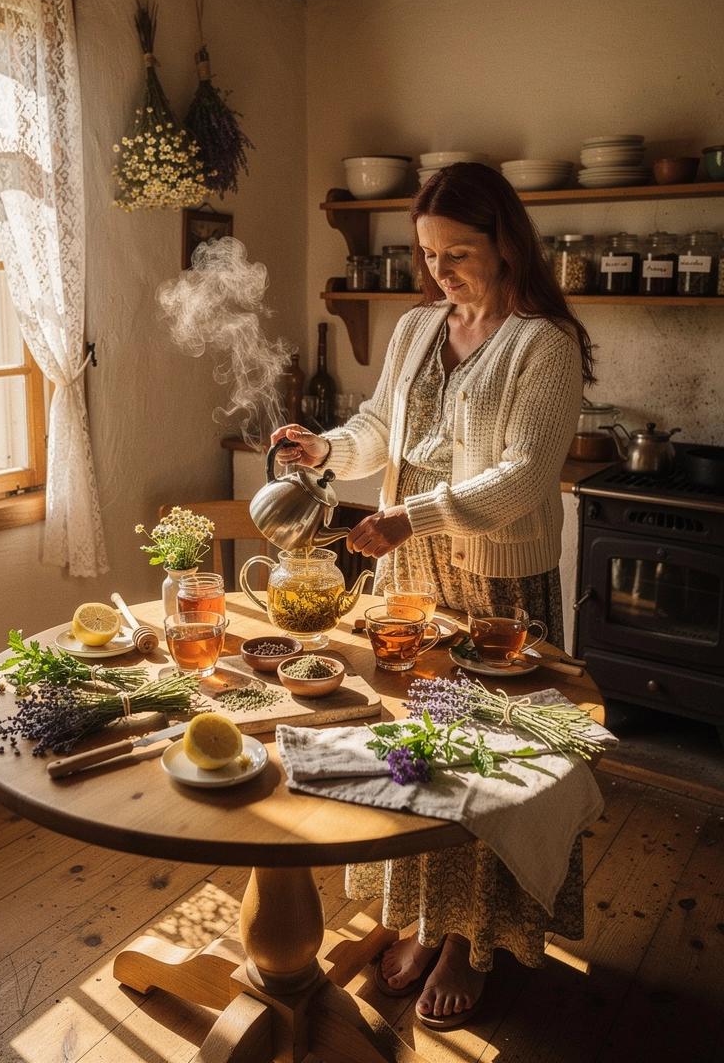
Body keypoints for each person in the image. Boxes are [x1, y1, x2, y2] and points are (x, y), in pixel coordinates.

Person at [270, 162, 594, 1031]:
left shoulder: (545, 343)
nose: (441, 271)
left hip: (495, 577)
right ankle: (420, 916)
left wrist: (412, 516)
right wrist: (325, 451)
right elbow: (381, 427)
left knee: (487, 762)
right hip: (411, 570)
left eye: (459, 253)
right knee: (412, 746)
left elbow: (524, 477)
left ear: (505, 243)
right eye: (428, 254)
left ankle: (469, 941)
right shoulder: (418, 327)